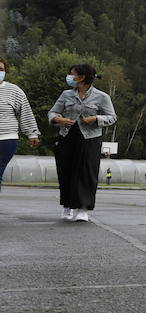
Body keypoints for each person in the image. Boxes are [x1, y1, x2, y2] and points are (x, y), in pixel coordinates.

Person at [48, 63, 117, 222]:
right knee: (66, 170)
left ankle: (83, 208)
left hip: (90, 139)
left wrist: (96, 119)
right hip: (67, 135)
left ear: (82, 76)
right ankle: (67, 206)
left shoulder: (102, 97)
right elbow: (52, 112)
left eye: (72, 74)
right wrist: (58, 119)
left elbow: (112, 117)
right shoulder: (66, 95)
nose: (70, 77)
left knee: (87, 172)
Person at [0, 57, 40, 191]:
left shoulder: (14, 91)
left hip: (5, 140)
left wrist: (32, 133)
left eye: (1, 69)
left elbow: (25, 112)